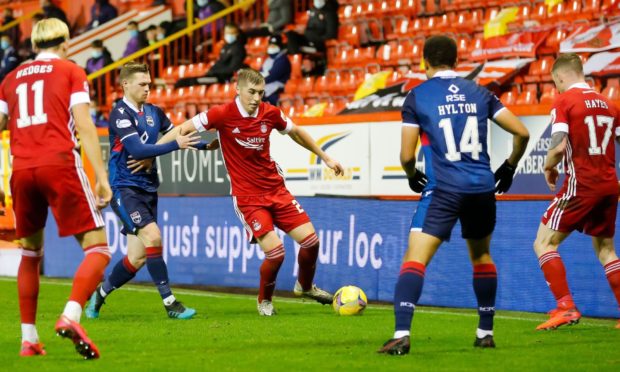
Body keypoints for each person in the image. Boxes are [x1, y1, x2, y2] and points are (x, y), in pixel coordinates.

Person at [377, 35, 530, 355]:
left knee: (415, 259)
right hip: (481, 188)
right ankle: (485, 332)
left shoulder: (417, 96)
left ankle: (401, 333)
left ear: (424, 62)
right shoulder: (481, 93)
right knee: (481, 257)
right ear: (456, 61)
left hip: (443, 189)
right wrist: (510, 166)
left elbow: (407, 155)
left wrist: (410, 175)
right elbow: (522, 132)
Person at [157, 68, 344, 316]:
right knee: (276, 253)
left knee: (311, 241)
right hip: (247, 198)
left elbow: (296, 132)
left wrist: (326, 157)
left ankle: (305, 286)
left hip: (276, 190)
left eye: (261, 92)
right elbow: (182, 128)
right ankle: (264, 301)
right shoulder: (221, 114)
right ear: (238, 89)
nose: (256, 98)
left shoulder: (270, 113)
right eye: (252, 92)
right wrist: (154, 151)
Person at [0, 18, 113, 359]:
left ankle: (29, 339)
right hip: (59, 164)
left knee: (30, 255)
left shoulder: (9, 79)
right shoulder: (71, 71)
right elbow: (84, 125)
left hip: (21, 170)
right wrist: (102, 177)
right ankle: (71, 315)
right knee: (99, 249)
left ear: (33, 46)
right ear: (66, 43)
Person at [85, 62, 203, 320]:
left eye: (149, 83)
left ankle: (99, 295)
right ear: (125, 84)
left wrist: (205, 146)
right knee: (153, 237)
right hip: (124, 189)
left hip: (148, 188)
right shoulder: (119, 114)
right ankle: (171, 303)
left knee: (137, 257)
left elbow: (176, 134)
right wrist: (176, 146)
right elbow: (138, 150)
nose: (148, 88)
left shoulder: (154, 113)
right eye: (142, 84)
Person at [533, 53, 620, 330]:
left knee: (544, 242)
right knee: (606, 249)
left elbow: (558, 146)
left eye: (554, 81)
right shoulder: (610, 104)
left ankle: (566, 307)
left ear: (559, 77)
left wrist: (548, 167)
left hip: (581, 185)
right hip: (609, 185)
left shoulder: (564, 101)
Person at [175, 23, 246, 88]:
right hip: (213, 74)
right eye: (226, 33)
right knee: (181, 81)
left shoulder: (239, 49)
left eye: (230, 33)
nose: (227, 35)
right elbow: (220, 62)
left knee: (190, 82)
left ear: (237, 34)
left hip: (221, 78)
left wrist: (214, 71)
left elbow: (233, 68)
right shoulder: (226, 46)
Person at [260, 35, 291, 105]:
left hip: (277, 86)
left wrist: (259, 81)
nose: (271, 47)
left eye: (274, 46)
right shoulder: (268, 59)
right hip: (265, 84)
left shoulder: (283, 59)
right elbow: (260, 72)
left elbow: (273, 76)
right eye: (270, 45)